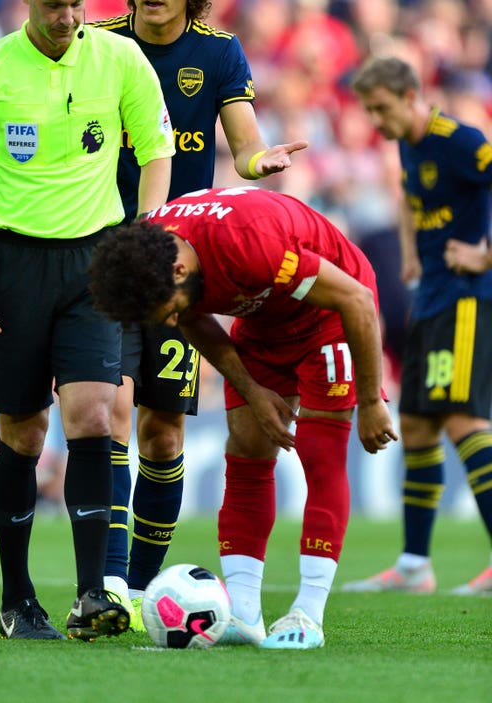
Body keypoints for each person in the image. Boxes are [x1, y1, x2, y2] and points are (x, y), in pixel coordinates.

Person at [0, 0, 175, 640]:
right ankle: (18, 597)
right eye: (54, 5)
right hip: (13, 261)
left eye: (78, 3)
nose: (69, 17)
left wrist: (146, 236)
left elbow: (156, 149)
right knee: (23, 429)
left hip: (95, 262)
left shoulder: (120, 58)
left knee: (95, 417)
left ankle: (91, 595)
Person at [92, 0, 307, 630]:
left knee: (163, 435)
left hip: (179, 269)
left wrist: (259, 162)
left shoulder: (217, 55)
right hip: (107, 258)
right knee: (113, 414)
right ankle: (112, 584)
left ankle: (142, 586)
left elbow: (242, 147)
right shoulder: (99, 44)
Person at [88, 186, 397, 649]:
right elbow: (190, 319)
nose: (170, 322)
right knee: (247, 450)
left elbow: (355, 299)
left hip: (332, 311)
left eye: (168, 311)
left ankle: (308, 615)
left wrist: (371, 400)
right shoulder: (152, 249)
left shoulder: (247, 243)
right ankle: (245, 615)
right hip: (266, 316)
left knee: (319, 453)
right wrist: (253, 392)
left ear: (179, 270)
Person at [344, 56, 492, 596]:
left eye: (381, 109)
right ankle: (413, 567)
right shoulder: (409, 141)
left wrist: (485, 254)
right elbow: (410, 194)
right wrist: (409, 252)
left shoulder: (461, 140)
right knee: (419, 427)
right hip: (431, 296)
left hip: (468, 298)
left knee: (461, 420)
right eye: (369, 110)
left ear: (410, 97)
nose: (375, 121)